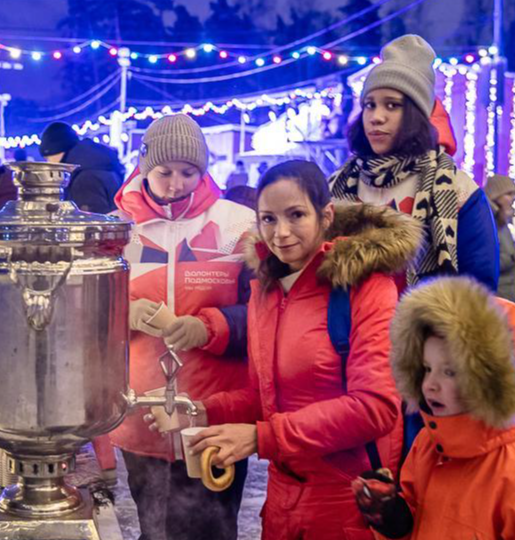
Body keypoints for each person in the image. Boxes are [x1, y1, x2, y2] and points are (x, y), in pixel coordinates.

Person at [181, 160, 422, 540]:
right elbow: (266, 395)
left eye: (296, 215)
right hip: (281, 500)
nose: (281, 233)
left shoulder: (365, 287)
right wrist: (200, 411)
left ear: (325, 215)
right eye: (268, 219)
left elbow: (376, 407)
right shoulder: (266, 288)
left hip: (346, 502)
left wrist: (262, 438)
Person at [109, 114, 256, 540]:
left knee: (214, 525)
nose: (175, 184)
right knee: (154, 526)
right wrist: (123, 313)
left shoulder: (238, 225)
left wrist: (210, 327)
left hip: (214, 407)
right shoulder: (116, 229)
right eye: (164, 172)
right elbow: (82, 312)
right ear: (142, 167)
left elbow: (265, 314)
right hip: (142, 409)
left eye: (188, 172)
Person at [329, 34, 498, 291]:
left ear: (416, 115)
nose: (376, 117)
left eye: (392, 105)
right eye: (369, 105)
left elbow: (480, 287)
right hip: (347, 329)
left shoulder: (458, 190)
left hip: (426, 327)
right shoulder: (337, 183)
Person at [354, 277, 515, 539]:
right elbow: (416, 520)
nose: (429, 384)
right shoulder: (429, 442)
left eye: (449, 372)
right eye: (426, 368)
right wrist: (393, 519)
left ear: (491, 378)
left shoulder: (508, 471)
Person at [39, 122, 123, 213]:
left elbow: (89, 220)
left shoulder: (84, 178)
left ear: (58, 150)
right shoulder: (98, 163)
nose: (48, 162)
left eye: (47, 157)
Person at [484, 174, 515, 302]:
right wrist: (512, 256)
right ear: (495, 196)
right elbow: (487, 263)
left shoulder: (503, 221)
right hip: (498, 296)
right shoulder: (488, 222)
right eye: (508, 194)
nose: (512, 199)